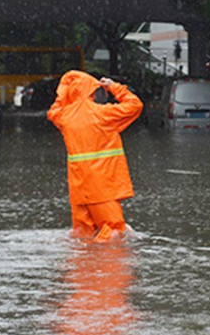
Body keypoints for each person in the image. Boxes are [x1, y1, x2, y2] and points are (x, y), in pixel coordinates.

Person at [47, 70, 143, 242]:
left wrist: (65, 92)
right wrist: (114, 87)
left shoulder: (64, 117)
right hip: (102, 188)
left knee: (81, 236)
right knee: (115, 232)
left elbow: (54, 110)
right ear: (92, 90)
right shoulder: (103, 114)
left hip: (79, 189)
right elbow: (135, 105)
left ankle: (82, 269)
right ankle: (107, 268)